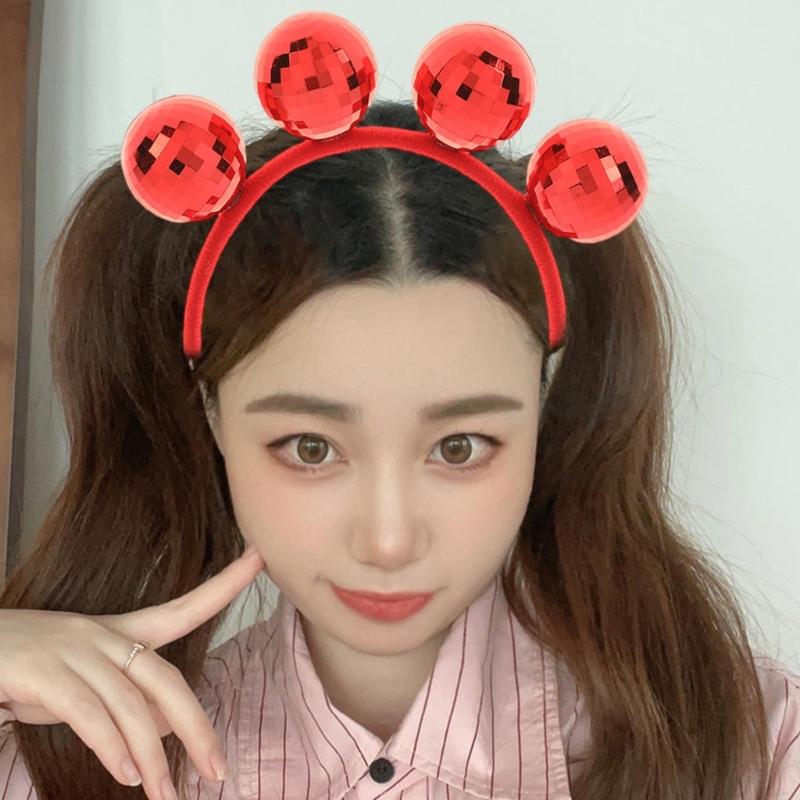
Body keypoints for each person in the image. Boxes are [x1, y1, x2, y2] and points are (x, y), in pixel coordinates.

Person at [1, 12, 799, 800]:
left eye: (460, 447)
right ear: (210, 412)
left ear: (545, 412)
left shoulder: (753, 749)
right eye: (310, 447)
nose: (388, 541)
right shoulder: (66, 765)